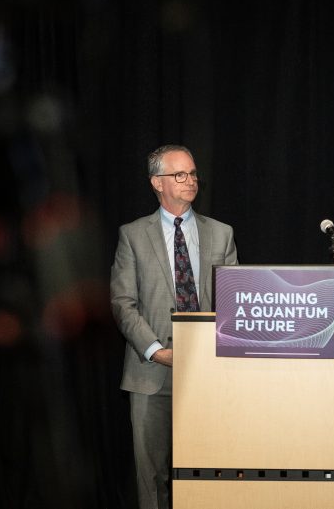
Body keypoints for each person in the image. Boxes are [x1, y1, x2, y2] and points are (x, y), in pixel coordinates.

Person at [111, 144, 238, 509]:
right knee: (151, 477)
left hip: (209, 371)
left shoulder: (221, 234)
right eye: (179, 174)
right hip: (150, 372)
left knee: (209, 471)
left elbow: (232, 303)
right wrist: (158, 351)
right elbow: (123, 303)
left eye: (193, 173)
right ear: (157, 182)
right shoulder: (133, 235)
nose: (190, 180)